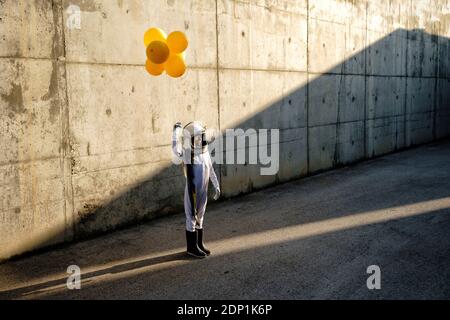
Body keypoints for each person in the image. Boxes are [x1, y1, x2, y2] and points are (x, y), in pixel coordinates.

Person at [172, 121, 221, 258]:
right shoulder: (189, 154)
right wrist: (176, 131)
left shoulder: (205, 153)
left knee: (200, 216)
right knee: (191, 217)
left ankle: (199, 244)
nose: (200, 139)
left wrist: (216, 185)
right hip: (192, 192)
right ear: (190, 139)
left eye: (201, 136)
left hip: (203, 191)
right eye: (197, 137)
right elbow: (176, 149)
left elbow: (210, 170)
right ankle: (191, 247)